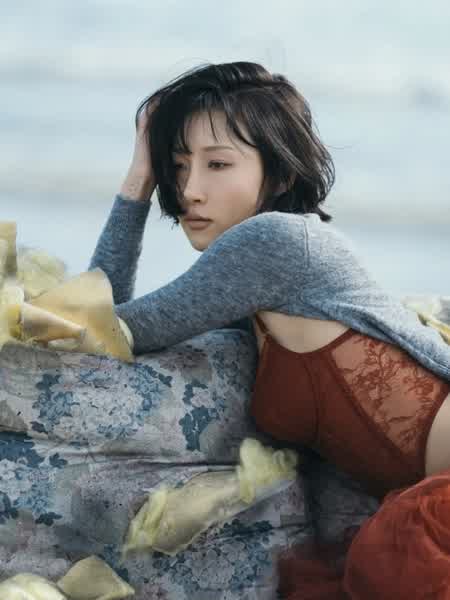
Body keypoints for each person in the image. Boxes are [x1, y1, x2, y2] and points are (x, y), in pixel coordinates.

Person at [88, 61, 450, 598]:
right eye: (177, 165)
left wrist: (135, 186)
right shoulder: (261, 285)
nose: (189, 190)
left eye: (217, 164)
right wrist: (142, 172)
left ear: (279, 175)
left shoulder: (272, 243)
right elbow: (100, 317)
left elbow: (107, 327)